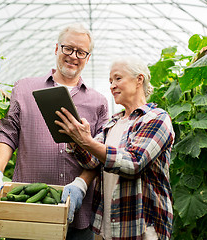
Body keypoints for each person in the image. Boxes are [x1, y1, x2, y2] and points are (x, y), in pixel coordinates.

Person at [0, 23, 109, 240]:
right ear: (56, 48)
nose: (73, 56)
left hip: (77, 216)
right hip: (26, 210)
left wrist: (80, 184)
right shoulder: (24, 88)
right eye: (68, 48)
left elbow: (101, 154)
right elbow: (7, 134)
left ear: (88, 57)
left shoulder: (98, 102)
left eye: (81, 52)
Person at [55, 56, 175, 240]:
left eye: (118, 78)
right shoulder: (112, 123)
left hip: (142, 229)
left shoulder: (156, 118)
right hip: (107, 226)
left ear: (139, 80)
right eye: (110, 81)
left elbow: (134, 163)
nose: (112, 86)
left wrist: (87, 141)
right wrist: (74, 138)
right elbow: (91, 161)